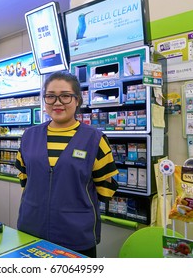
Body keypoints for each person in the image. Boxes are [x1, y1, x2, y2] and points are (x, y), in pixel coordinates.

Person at [15, 71, 119, 258]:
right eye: (50, 96)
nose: (57, 102)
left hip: (76, 236)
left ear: (77, 100)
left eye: (65, 96)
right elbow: (24, 179)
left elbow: (106, 190)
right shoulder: (29, 137)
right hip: (31, 231)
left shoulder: (95, 139)